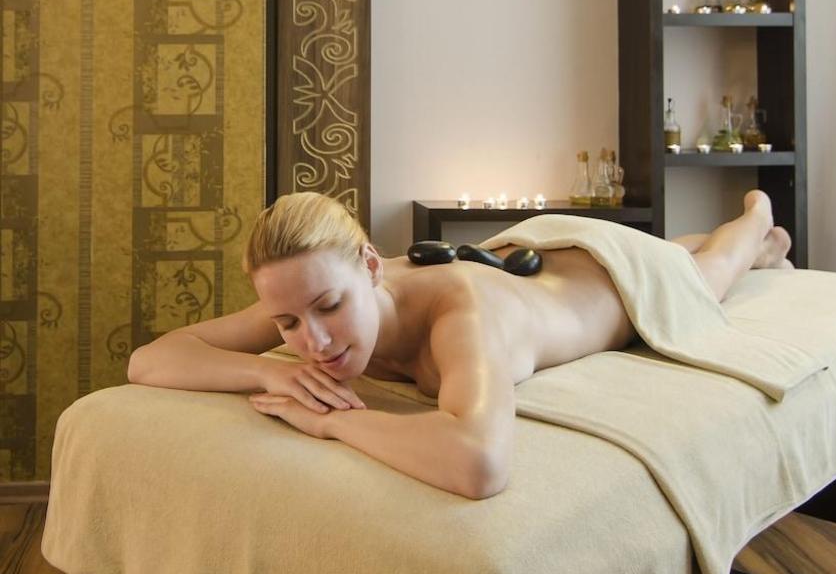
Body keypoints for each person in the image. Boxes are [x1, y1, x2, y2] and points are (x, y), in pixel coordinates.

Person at [127, 190, 793, 500]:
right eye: (286, 325)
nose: (314, 341)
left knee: (708, 274)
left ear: (370, 266)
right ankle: (744, 245)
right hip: (530, 249)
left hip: (612, 279)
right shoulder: (305, 290)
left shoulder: (459, 315)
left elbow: (479, 463)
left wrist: (331, 422)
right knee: (684, 252)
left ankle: (755, 219)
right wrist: (268, 375)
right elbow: (149, 360)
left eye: (329, 308)